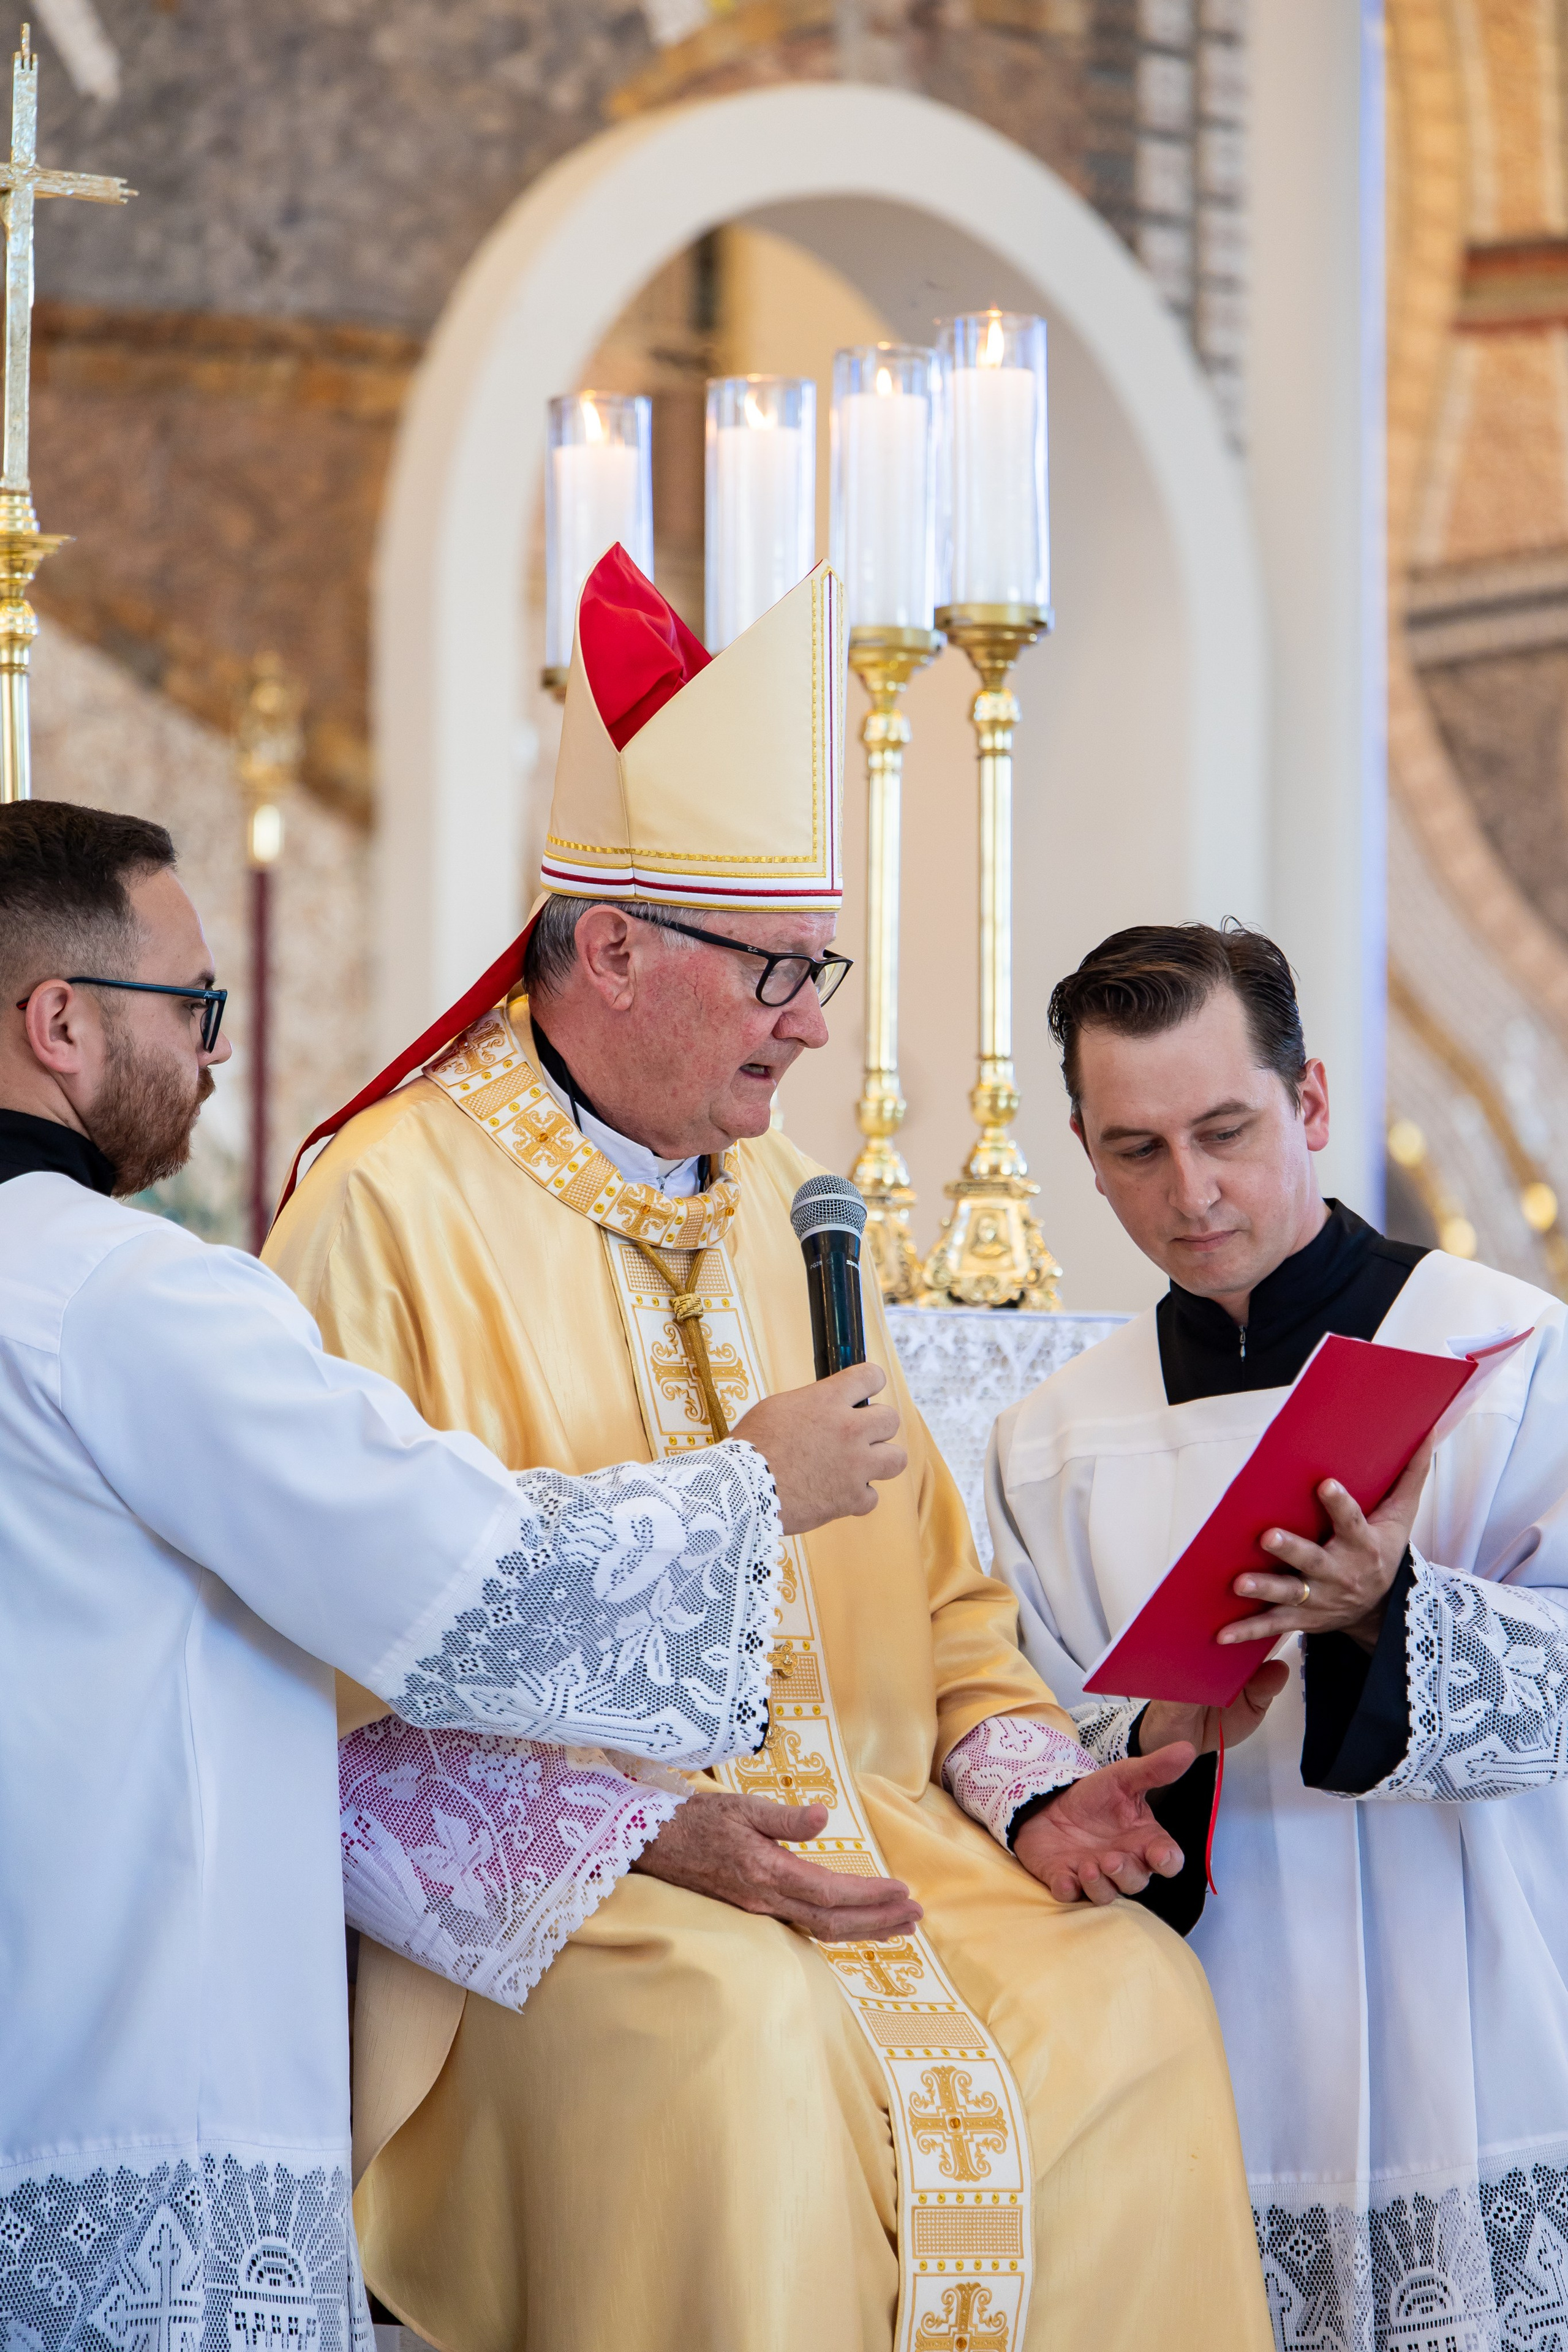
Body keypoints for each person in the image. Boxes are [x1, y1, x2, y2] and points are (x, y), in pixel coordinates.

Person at [266, 547, 1272, 2352]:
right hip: (574, 1892)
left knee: (1133, 2011)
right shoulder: (385, 1207)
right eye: (780, 975)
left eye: (825, 970)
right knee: (741, 2052)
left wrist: (1035, 1793)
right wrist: (655, 1827)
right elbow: (324, 1688)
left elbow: (949, 1606)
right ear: (615, 949)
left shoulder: (789, 1213)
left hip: (873, 1833)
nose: (817, 1025)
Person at [0, 797, 903, 2352]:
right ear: (60, 1021)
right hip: (129, 2063)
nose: (215, 1052)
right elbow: (458, 1578)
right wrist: (759, 1491)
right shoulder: (118, 1297)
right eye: (192, 1004)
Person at [989, 918, 1568, 2351]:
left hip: (1481, 2014)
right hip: (1207, 2029)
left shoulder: (1504, 1358)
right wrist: (1140, 1744)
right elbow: (1017, 1727)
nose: (1189, 1193)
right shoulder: (1052, 1442)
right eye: (1133, 1150)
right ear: (1081, 1145)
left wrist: (1392, 1613)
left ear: (1307, 1104)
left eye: (1225, 1130)